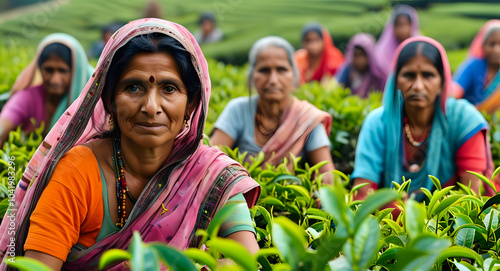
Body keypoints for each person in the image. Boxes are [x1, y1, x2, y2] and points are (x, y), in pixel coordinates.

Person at [0, 18, 260, 270]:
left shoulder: (211, 176)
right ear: (110, 100)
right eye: (134, 88)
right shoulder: (77, 173)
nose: (150, 107)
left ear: (191, 105)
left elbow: (247, 262)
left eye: (169, 88)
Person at [351, 36, 496, 202]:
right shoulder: (377, 124)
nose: (418, 86)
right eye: (409, 75)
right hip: (388, 225)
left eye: (428, 75)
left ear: (442, 81)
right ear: (396, 80)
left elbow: (472, 198)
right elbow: (362, 196)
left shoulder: (464, 121)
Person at [210, 36, 335, 183]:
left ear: (294, 75)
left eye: (282, 70)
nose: (273, 80)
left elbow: (328, 178)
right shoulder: (238, 110)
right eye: (264, 70)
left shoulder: (307, 118)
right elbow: (210, 164)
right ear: (252, 76)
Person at [0, 33, 93, 146]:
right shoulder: (28, 97)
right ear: (40, 69)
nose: (54, 80)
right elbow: (5, 122)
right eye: (48, 70)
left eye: (62, 71)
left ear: (75, 72)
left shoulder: (91, 105)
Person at [452, 20, 500, 114]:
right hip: (463, 117)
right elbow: (455, 90)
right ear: (483, 45)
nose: (497, 49)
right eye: (492, 44)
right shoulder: (473, 66)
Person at [373, 4, 419, 81]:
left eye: (406, 24)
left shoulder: (419, 48)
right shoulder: (381, 52)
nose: (402, 29)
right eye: (399, 25)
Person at [335, 33, 385, 98]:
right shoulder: (348, 69)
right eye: (356, 55)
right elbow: (339, 88)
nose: (360, 60)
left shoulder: (377, 72)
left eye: (363, 55)